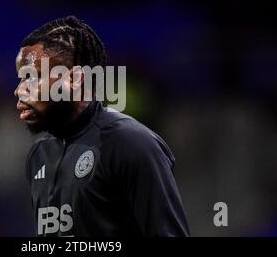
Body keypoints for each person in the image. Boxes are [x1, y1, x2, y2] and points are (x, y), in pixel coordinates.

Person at [14, 15, 190, 236]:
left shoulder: (132, 144)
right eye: (20, 79)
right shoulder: (38, 155)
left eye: (33, 77)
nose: (20, 90)